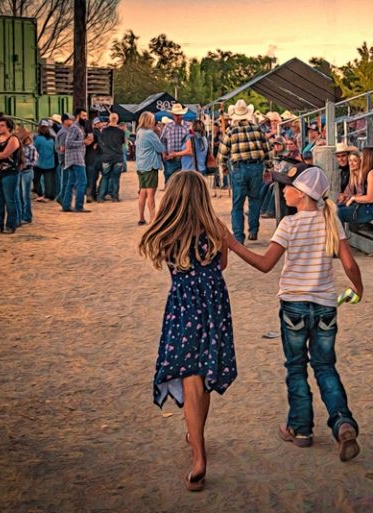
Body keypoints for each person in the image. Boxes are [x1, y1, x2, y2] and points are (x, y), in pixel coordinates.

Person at [226, 165, 363, 462]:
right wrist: (358, 289)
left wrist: (234, 245)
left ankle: (300, 429)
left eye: (287, 186)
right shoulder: (331, 222)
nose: (282, 189)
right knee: (326, 367)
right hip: (326, 305)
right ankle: (343, 423)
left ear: (300, 195)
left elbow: (265, 264)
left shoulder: (288, 225)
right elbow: (350, 264)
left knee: (296, 367)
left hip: (294, 306)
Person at [138, 171, 235, 492]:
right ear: (202, 198)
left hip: (183, 309)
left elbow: (166, 260)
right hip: (214, 307)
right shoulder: (216, 230)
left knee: (191, 377)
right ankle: (196, 441)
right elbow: (221, 265)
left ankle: (198, 456)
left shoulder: (168, 234)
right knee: (202, 378)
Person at [218, 99, 270, 243]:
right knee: (254, 200)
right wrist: (269, 168)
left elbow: (222, 154)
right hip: (256, 167)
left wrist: (223, 167)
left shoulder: (230, 131)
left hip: (239, 168)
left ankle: (239, 237)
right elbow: (267, 150)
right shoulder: (257, 129)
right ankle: (253, 230)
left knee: (237, 204)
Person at [337, 147, 373, 225]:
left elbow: (370, 198)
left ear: (368, 158)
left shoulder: (372, 173)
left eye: (362, 156)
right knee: (334, 208)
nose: (361, 158)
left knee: (337, 212)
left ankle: (339, 236)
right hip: (371, 207)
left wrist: (353, 198)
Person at [134, 112, 166, 225]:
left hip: (141, 165)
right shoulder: (149, 134)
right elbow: (160, 148)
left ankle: (141, 217)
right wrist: (158, 132)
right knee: (151, 194)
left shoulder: (140, 132)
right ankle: (153, 217)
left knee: (142, 192)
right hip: (150, 165)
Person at [61, 109, 90, 213]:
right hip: (76, 159)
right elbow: (68, 143)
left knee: (71, 182)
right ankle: (79, 205)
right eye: (83, 115)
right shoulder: (75, 127)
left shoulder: (80, 127)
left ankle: (66, 205)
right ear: (78, 116)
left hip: (75, 158)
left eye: (86, 116)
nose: (85, 118)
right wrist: (83, 142)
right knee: (82, 182)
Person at [96, 113, 125, 202]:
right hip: (117, 156)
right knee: (116, 178)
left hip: (107, 156)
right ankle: (115, 197)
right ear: (117, 119)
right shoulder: (121, 131)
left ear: (109, 119)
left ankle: (101, 196)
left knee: (105, 177)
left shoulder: (104, 131)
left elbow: (101, 141)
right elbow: (123, 142)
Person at [160, 103, 189, 184]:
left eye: (180, 115)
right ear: (172, 115)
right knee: (170, 181)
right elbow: (162, 141)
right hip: (171, 159)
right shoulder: (168, 127)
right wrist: (164, 153)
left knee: (183, 182)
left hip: (184, 159)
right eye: (176, 115)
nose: (178, 117)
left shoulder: (188, 126)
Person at [17, 127, 37, 225]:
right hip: (22, 171)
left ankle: (27, 216)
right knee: (21, 194)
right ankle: (22, 216)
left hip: (27, 171)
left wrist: (24, 163)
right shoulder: (21, 147)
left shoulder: (31, 147)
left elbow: (34, 161)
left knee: (25, 195)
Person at [33, 120, 57, 201]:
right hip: (50, 163)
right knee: (49, 181)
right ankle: (49, 195)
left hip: (39, 163)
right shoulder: (52, 139)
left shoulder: (38, 139)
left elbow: (34, 149)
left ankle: (40, 193)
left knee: (36, 179)